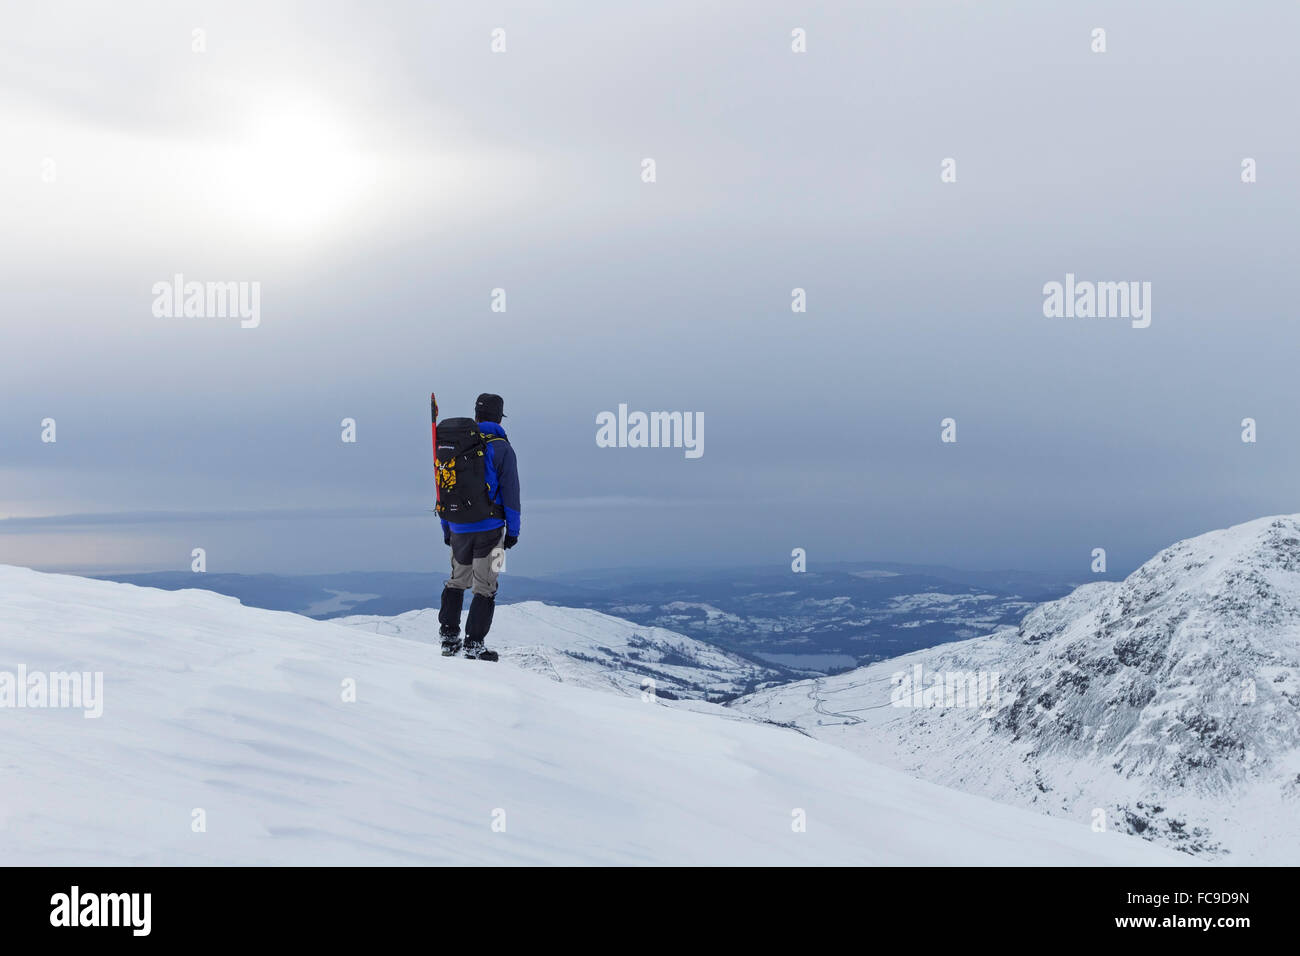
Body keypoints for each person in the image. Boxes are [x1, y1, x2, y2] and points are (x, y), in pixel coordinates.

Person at [437, 393, 520, 658]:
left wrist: (447, 528)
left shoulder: (456, 445)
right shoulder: (503, 448)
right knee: (487, 585)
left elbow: (443, 489)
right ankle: (474, 644)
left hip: (458, 526)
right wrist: (513, 532)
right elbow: (512, 494)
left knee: (456, 581)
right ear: (499, 418)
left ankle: (449, 639)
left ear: (476, 415)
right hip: (492, 530)